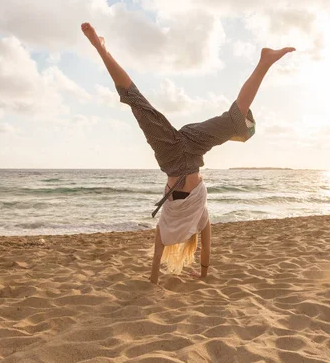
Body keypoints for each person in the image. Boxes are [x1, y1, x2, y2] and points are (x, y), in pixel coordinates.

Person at [81, 22, 295, 284]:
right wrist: (203, 275)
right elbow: (206, 250)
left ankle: (101, 48)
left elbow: (159, 255)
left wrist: (153, 280)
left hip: (171, 156)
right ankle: (265, 62)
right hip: (192, 150)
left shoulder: (168, 226)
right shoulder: (198, 219)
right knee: (235, 119)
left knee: (137, 103)